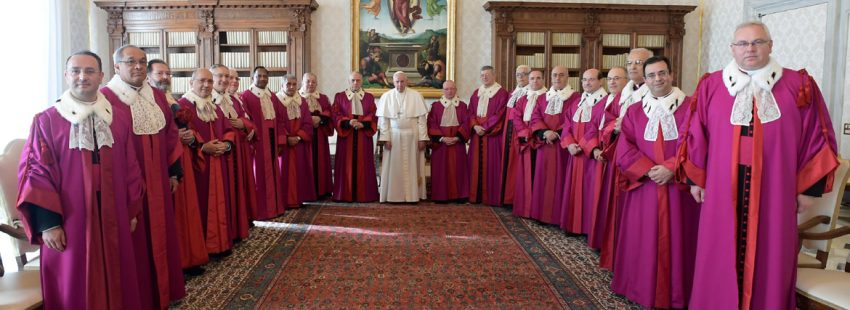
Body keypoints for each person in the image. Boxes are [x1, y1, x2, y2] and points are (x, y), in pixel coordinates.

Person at [681, 21, 838, 310]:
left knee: (771, 251)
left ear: (770, 45)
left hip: (775, 187)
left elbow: (819, 135)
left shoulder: (799, 84)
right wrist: (697, 180)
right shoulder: (711, 85)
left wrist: (809, 189)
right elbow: (696, 134)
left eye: (757, 42)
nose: (750, 49)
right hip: (721, 185)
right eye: (742, 43)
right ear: (732, 48)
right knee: (718, 250)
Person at [17, 50, 145, 309]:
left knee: (116, 271)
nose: (82, 77)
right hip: (70, 219)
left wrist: (131, 210)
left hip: (112, 212)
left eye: (89, 71)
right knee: (75, 283)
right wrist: (49, 224)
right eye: (75, 71)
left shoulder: (117, 119)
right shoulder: (47, 120)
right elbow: (36, 173)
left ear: (102, 76)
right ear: (66, 75)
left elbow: (131, 166)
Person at [101, 45, 186, 309]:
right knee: (136, 242)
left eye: (142, 62)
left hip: (159, 179)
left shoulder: (157, 97)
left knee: (161, 235)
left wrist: (174, 172)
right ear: (116, 67)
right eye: (130, 62)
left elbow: (171, 134)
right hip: (126, 185)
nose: (137, 67)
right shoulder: (105, 98)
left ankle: (161, 292)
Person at [612, 56, 699, 309]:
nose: (657, 79)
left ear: (671, 74)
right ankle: (641, 289)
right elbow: (624, 148)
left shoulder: (692, 107)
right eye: (651, 75)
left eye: (662, 73)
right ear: (644, 78)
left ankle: (680, 293)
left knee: (681, 241)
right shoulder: (634, 111)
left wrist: (672, 167)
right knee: (644, 240)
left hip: (680, 189)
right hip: (645, 188)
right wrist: (649, 170)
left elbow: (699, 143)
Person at [177, 68, 237, 255]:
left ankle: (220, 243)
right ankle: (203, 247)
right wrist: (203, 146)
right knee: (200, 206)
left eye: (210, 82)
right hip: (198, 165)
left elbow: (228, 129)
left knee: (220, 202)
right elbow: (184, 135)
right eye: (202, 81)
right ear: (191, 83)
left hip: (219, 163)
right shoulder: (183, 107)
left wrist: (226, 145)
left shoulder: (215, 106)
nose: (206, 85)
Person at [587, 66, 629, 268]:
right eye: (610, 78)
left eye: (617, 78)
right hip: (600, 156)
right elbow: (593, 127)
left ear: (626, 80)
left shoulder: (627, 101)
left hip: (615, 157)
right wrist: (594, 148)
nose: (612, 82)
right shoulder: (602, 103)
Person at [529, 66, 579, 225]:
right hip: (545, 145)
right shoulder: (543, 98)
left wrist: (556, 133)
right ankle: (541, 214)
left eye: (561, 75)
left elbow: (571, 121)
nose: (558, 78)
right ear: (550, 78)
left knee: (561, 180)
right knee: (543, 180)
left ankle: (558, 217)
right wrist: (545, 132)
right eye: (555, 75)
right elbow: (535, 117)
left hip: (562, 146)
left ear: (568, 77)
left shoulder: (575, 97)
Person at [560, 68, 606, 236]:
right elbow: (567, 125)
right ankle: (574, 226)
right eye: (584, 80)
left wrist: (585, 146)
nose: (587, 83)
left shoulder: (605, 102)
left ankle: (588, 229)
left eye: (591, 79)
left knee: (591, 192)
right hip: (575, 154)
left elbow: (598, 128)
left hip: (591, 157)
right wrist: (569, 144)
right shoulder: (578, 101)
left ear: (601, 81)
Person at [212, 65, 256, 237]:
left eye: (236, 78)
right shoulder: (212, 100)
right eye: (228, 77)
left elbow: (247, 120)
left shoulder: (234, 100)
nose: (231, 81)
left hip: (240, 147)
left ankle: (240, 222)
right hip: (225, 150)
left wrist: (243, 124)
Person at [240, 66, 287, 219]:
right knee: (259, 176)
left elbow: (280, 119)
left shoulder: (272, 96)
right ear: (252, 78)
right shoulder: (246, 96)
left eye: (265, 76)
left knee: (273, 174)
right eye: (259, 76)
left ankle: (275, 208)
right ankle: (262, 212)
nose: (262, 79)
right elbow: (246, 120)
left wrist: (280, 141)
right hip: (258, 143)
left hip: (272, 142)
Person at [376, 71, 429, 202]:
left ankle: (412, 196)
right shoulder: (386, 96)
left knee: (413, 166)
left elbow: (422, 120)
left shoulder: (416, 96)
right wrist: (386, 138)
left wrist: (422, 138)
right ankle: (393, 196)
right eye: (397, 82)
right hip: (393, 137)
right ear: (393, 82)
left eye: (402, 81)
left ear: (407, 81)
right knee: (394, 167)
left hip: (412, 136)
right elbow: (384, 121)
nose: (400, 84)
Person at [332, 72, 380, 202]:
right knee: (345, 164)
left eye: (358, 80)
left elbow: (373, 114)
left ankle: (364, 194)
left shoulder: (369, 97)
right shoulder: (340, 96)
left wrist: (363, 123)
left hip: (363, 135)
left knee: (363, 163)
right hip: (346, 136)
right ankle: (344, 194)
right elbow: (335, 114)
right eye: (353, 80)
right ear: (349, 81)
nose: (355, 83)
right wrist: (348, 122)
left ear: (362, 81)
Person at [468, 65, 510, 206]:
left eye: (487, 74)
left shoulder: (502, 93)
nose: (484, 77)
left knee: (492, 166)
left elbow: (500, 114)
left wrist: (484, 128)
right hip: (477, 135)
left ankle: (490, 198)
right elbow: (470, 112)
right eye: (482, 75)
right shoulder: (476, 93)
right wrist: (475, 126)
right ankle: (476, 196)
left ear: (494, 75)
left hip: (492, 136)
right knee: (475, 166)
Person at [510, 70, 547, 218]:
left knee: (539, 175)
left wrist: (533, 133)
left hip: (539, 140)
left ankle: (537, 210)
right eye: (532, 78)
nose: (535, 81)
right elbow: (516, 117)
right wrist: (525, 133)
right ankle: (524, 208)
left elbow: (544, 118)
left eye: (538, 78)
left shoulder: (548, 98)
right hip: (525, 139)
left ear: (543, 80)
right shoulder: (522, 99)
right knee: (524, 174)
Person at [427, 80, 470, 203]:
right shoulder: (435, 106)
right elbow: (431, 123)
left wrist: (457, 138)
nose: (449, 91)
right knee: (441, 170)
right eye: (446, 89)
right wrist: (441, 138)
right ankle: (441, 196)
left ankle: (460, 196)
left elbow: (466, 123)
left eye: (452, 89)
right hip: (441, 144)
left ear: (456, 90)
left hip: (457, 143)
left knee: (459, 169)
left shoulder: (462, 106)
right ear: (443, 90)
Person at [276, 75, 316, 206]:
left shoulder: (302, 102)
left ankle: (297, 200)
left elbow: (307, 123)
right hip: (284, 145)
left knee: (299, 172)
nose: (292, 87)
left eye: (294, 84)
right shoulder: (276, 101)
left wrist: (298, 137)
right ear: (282, 85)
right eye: (288, 84)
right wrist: (287, 138)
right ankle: (283, 202)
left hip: (299, 144)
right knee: (282, 173)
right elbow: (276, 123)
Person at [299, 73, 334, 200]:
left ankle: (322, 190)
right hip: (303, 135)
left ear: (317, 83)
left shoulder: (323, 98)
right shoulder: (296, 97)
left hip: (319, 134)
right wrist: (309, 119)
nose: (310, 84)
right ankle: (306, 191)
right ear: (302, 82)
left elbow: (329, 113)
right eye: (308, 81)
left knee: (320, 161)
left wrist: (320, 119)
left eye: (313, 82)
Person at [501, 65, 530, 208]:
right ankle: (508, 196)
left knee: (517, 165)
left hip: (520, 133)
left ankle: (515, 199)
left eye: (524, 74)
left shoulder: (531, 94)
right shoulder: (512, 93)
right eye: (518, 74)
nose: (521, 77)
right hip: (508, 131)